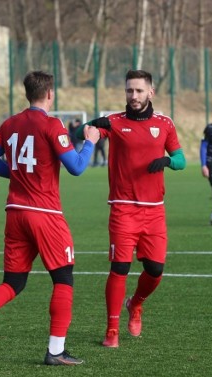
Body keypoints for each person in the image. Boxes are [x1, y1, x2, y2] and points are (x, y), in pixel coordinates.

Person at [0, 70, 100, 366]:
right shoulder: (52, 124)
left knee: (13, 283)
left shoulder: (10, 124)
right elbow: (77, 167)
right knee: (63, 278)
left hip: (14, 213)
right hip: (45, 214)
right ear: (50, 94)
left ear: (27, 93)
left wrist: (18, 175)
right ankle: (55, 351)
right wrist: (91, 141)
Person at [77, 70, 186, 348]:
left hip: (154, 211)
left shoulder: (164, 123)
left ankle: (135, 304)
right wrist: (90, 124)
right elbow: (80, 132)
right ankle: (111, 330)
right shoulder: (113, 122)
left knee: (155, 270)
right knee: (120, 268)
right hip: (123, 208)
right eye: (129, 91)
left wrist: (167, 162)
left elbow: (182, 159)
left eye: (138, 91)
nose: (133, 96)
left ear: (151, 92)